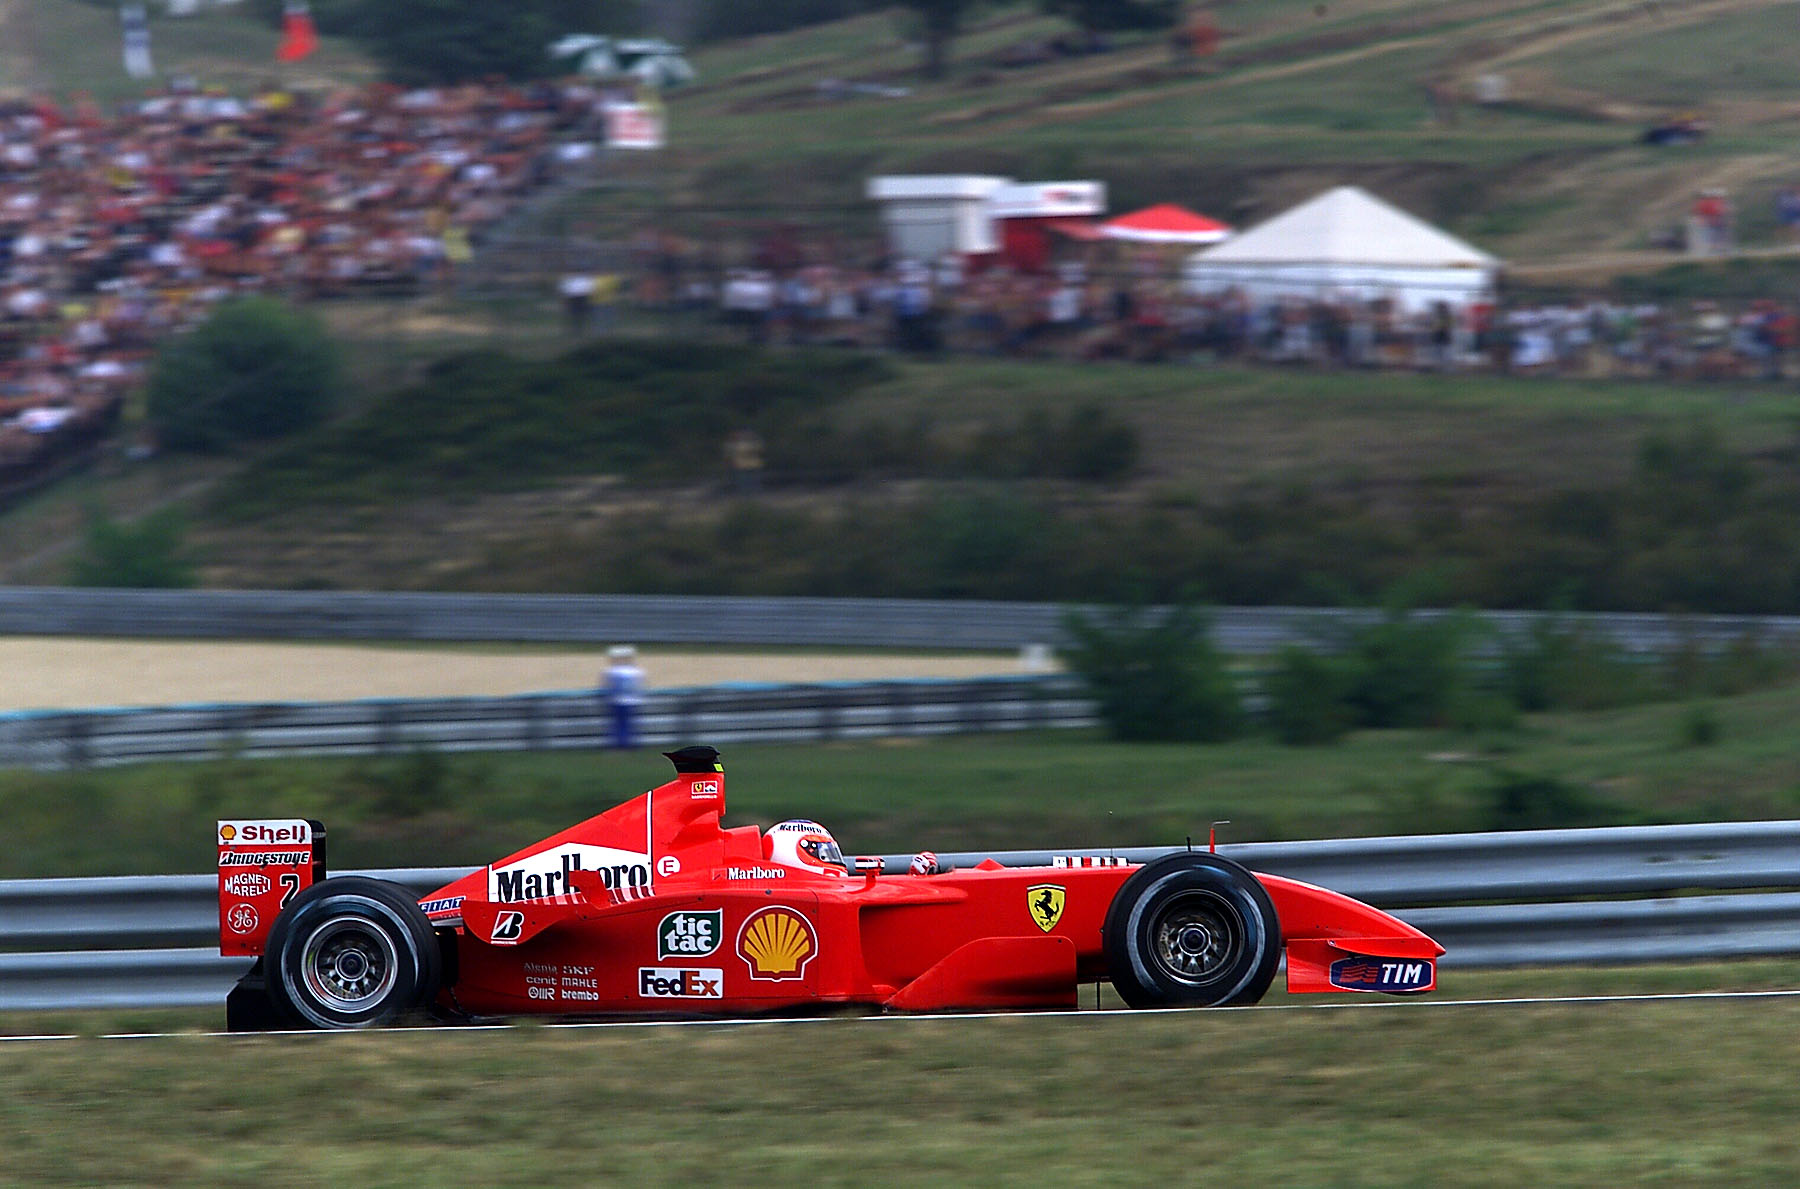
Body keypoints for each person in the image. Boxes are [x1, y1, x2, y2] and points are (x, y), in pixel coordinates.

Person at [601, 645, 645, 749]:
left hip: (617, 700)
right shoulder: (637, 671)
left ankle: (620, 744)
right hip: (633, 701)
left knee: (618, 724)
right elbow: (641, 686)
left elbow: (606, 686)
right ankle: (631, 743)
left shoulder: (610, 671)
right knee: (631, 724)